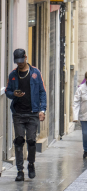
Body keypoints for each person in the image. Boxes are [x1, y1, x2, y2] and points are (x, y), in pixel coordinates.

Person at [5, 49, 47, 181]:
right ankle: (19, 170)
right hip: (18, 113)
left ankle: (31, 164)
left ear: (26, 58)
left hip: (33, 113)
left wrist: (42, 110)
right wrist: (14, 95)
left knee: (31, 142)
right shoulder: (13, 75)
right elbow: (7, 91)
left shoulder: (35, 72)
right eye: (17, 62)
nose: (20, 64)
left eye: (21, 61)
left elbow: (42, 92)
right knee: (18, 141)